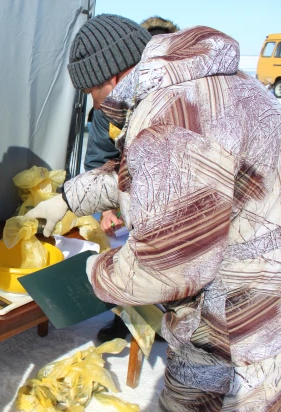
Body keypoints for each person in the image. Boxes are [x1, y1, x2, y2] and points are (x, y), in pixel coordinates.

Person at [28, 14, 281, 410]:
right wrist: (69, 197)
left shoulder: (167, 116)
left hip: (238, 331)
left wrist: (92, 275)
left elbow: (165, 266)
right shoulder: (224, 84)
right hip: (261, 303)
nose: (97, 108)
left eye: (90, 93)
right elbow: (142, 176)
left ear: (111, 78)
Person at [87, 16, 180, 343]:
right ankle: (123, 319)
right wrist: (106, 209)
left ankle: (165, 322)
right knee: (121, 258)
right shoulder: (107, 106)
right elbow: (98, 157)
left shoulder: (184, 99)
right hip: (126, 202)